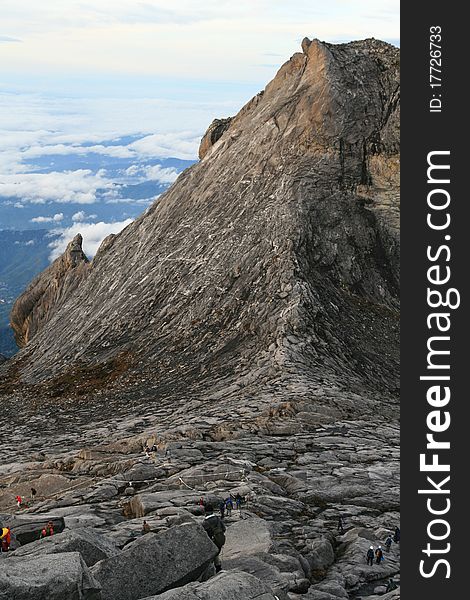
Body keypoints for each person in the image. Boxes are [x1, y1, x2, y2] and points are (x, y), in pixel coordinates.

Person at [202, 503, 226, 573]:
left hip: (212, 540)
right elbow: (224, 528)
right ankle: (218, 567)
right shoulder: (217, 519)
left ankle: (212, 570)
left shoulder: (205, 522)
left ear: (205, 512)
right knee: (216, 554)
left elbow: (204, 534)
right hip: (220, 539)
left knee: (213, 555)